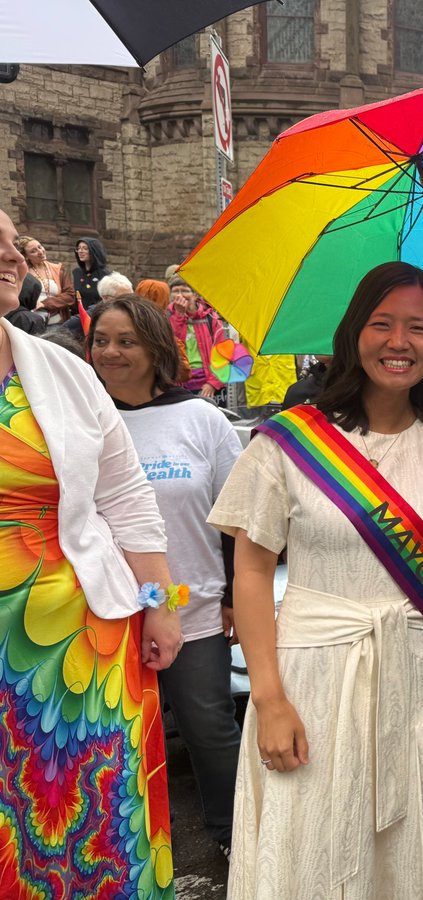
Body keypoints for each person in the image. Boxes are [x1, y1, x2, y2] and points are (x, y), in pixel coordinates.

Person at [208, 261, 423, 899]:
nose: (399, 342)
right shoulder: (288, 442)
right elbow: (250, 568)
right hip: (311, 683)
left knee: (415, 852)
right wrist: (267, 700)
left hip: (419, 683)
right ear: (354, 332)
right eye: (382, 324)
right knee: (315, 848)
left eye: (419, 327)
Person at [0, 208, 182, 896]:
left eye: (14, 242)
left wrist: (164, 608)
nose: (13, 256)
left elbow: (131, 503)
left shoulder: (61, 372)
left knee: (98, 824)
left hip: (86, 641)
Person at [87, 293, 245, 860]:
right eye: (101, 341)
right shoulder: (80, 420)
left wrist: (233, 597)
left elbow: (237, 516)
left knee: (209, 731)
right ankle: (123, 852)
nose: (111, 352)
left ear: (157, 347)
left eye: (126, 341)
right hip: (103, 616)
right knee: (117, 742)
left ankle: (236, 840)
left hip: (195, 611)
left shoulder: (200, 418)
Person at [168, 274, 227, 399]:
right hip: (179, 384)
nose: (180, 295)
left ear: (194, 295)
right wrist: (179, 316)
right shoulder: (166, 319)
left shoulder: (211, 319)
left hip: (207, 384)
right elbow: (173, 347)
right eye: (175, 291)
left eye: (184, 290)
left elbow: (223, 354)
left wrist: (213, 383)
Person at [16, 235, 73, 324]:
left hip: (59, 321)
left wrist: (45, 304)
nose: (40, 252)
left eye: (40, 247)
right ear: (26, 256)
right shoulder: (22, 272)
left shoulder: (58, 269)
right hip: (34, 322)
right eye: (33, 251)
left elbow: (70, 295)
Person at [71, 236, 110, 311]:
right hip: (79, 315)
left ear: (94, 251)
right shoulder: (76, 272)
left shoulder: (105, 275)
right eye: (78, 248)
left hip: (97, 315)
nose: (80, 251)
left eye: (85, 248)